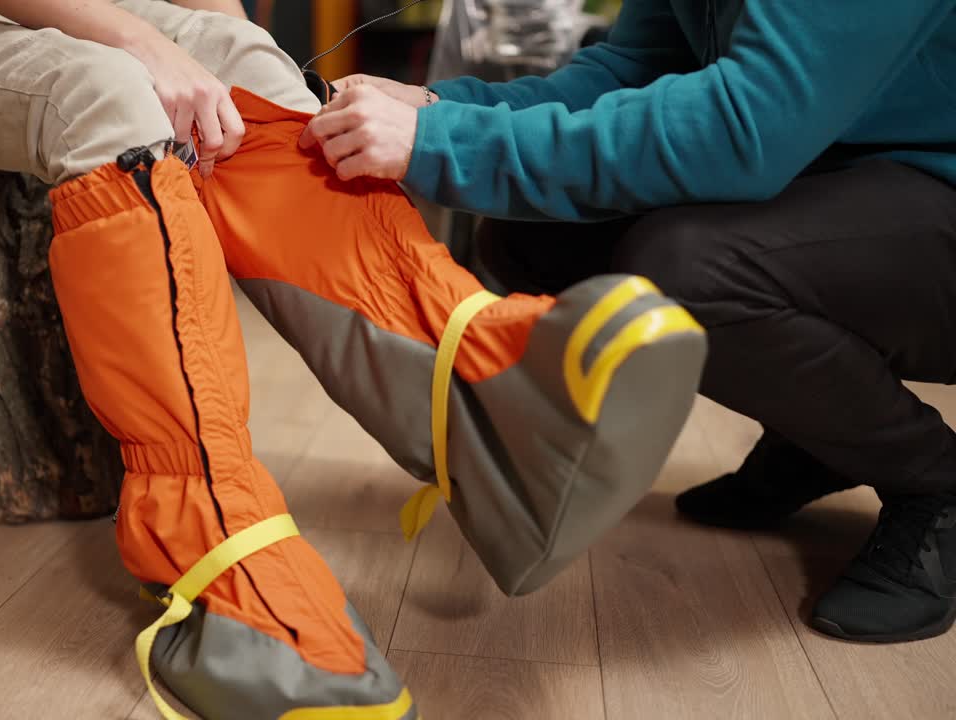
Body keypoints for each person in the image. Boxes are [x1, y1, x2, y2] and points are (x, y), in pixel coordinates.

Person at [0, 1, 706, 718]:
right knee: (104, 92)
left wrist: (232, 57)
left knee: (257, 66)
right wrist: (141, 42)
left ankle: (479, 399)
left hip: (99, 9)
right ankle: (205, 533)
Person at [300, 0, 956, 643]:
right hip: (844, 175)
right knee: (538, 239)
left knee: (687, 272)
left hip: (934, 198)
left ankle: (934, 481)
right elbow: (629, 69)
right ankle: (822, 434)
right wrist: (441, 107)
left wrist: (445, 143)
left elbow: (745, 126)